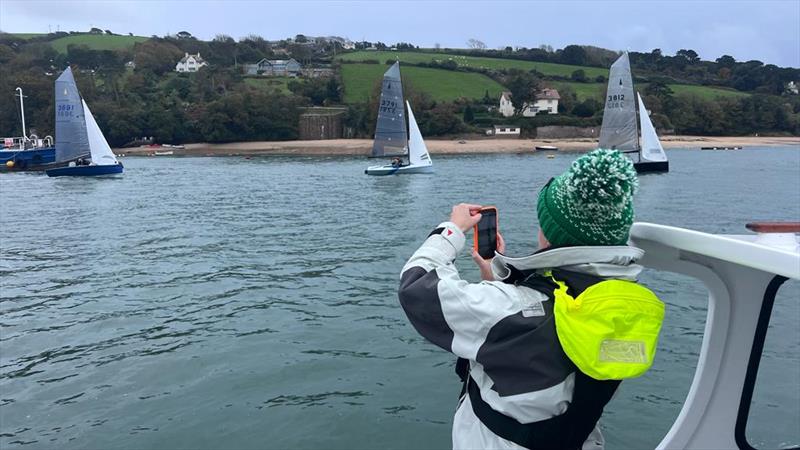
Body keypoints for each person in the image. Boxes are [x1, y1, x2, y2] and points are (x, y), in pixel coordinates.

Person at [398, 149, 663, 449]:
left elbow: (416, 288)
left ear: (551, 237)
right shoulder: (621, 307)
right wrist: (498, 282)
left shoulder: (507, 311)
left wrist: (451, 230)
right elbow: (545, 338)